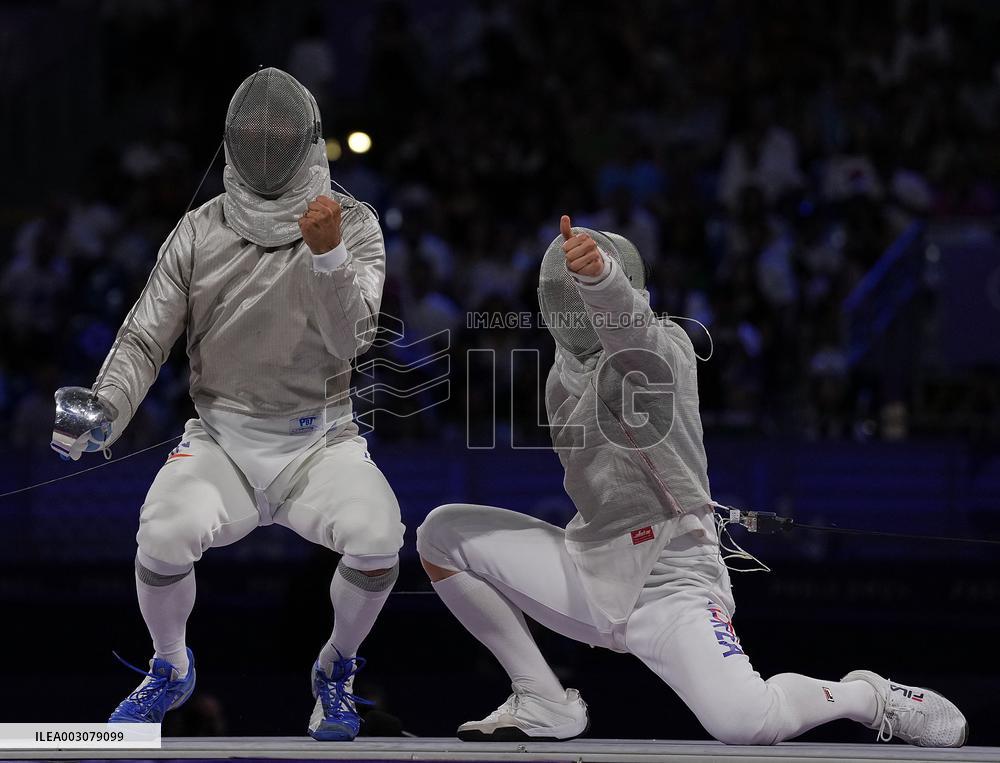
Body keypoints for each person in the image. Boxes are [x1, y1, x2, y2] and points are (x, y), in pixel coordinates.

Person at [416, 215, 967, 748]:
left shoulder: (665, 348)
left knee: (747, 723)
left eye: (577, 288)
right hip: (592, 565)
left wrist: (600, 279)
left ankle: (867, 698)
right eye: (558, 293)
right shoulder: (562, 373)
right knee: (441, 533)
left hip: (672, 578)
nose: (567, 305)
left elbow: (626, 328)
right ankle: (542, 699)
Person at [49, 68, 403, 742]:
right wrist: (106, 409)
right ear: (233, 142)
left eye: (278, 136)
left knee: (379, 535)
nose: (266, 146)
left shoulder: (353, 225)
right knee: (162, 531)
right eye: (254, 136)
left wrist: (327, 256)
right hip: (222, 442)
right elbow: (143, 334)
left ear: (305, 141)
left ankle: (335, 669)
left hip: (320, 443)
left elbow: (352, 342)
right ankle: (170, 665)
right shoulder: (198, 230)